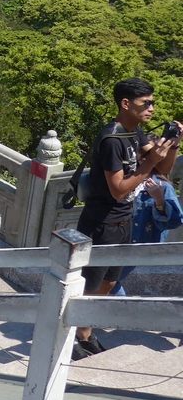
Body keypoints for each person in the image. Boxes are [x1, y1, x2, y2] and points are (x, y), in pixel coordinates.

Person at [72, 77, 182, 360]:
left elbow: (162, 170)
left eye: (152, 102)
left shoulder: (135, 132)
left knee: (109, 282)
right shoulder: (112, 139)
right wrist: (150, 161)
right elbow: (119, 190)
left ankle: (83, 330)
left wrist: (172, 146)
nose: (152, 108)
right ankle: (76, 333)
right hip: (102, 223)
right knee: (90, 284)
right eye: (146, 103)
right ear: (125, 103)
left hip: (124, 220)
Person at [111, 173, 183, 295]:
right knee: (105, 281)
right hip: (115, 244)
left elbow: (175, 221)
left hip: (140, 250)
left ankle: (122, 307)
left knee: (107, 280)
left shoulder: (161, 186)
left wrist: (159, 200)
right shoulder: (122, 184)